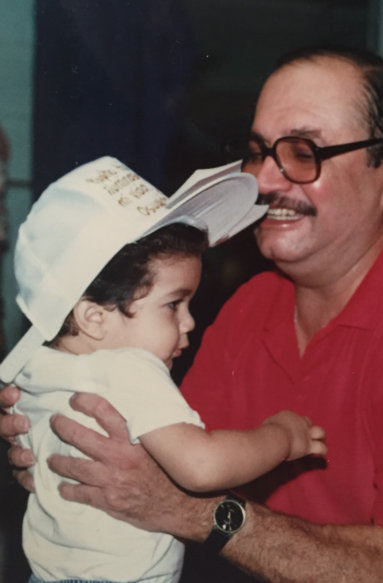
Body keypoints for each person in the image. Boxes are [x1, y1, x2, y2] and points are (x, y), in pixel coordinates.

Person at [2, 46, 383, 583]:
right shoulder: (252, 303)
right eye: (258, 151)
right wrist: (67, 445)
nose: (266, 180)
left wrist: (189, 512)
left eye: (304, 152)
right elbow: (161, 457)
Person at [3, 157, 326, 583]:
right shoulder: (130, 369)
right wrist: (283, 437)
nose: (189, 322)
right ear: (94, 318)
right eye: (173, 305)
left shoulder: (32, 369)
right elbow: (202, 465)